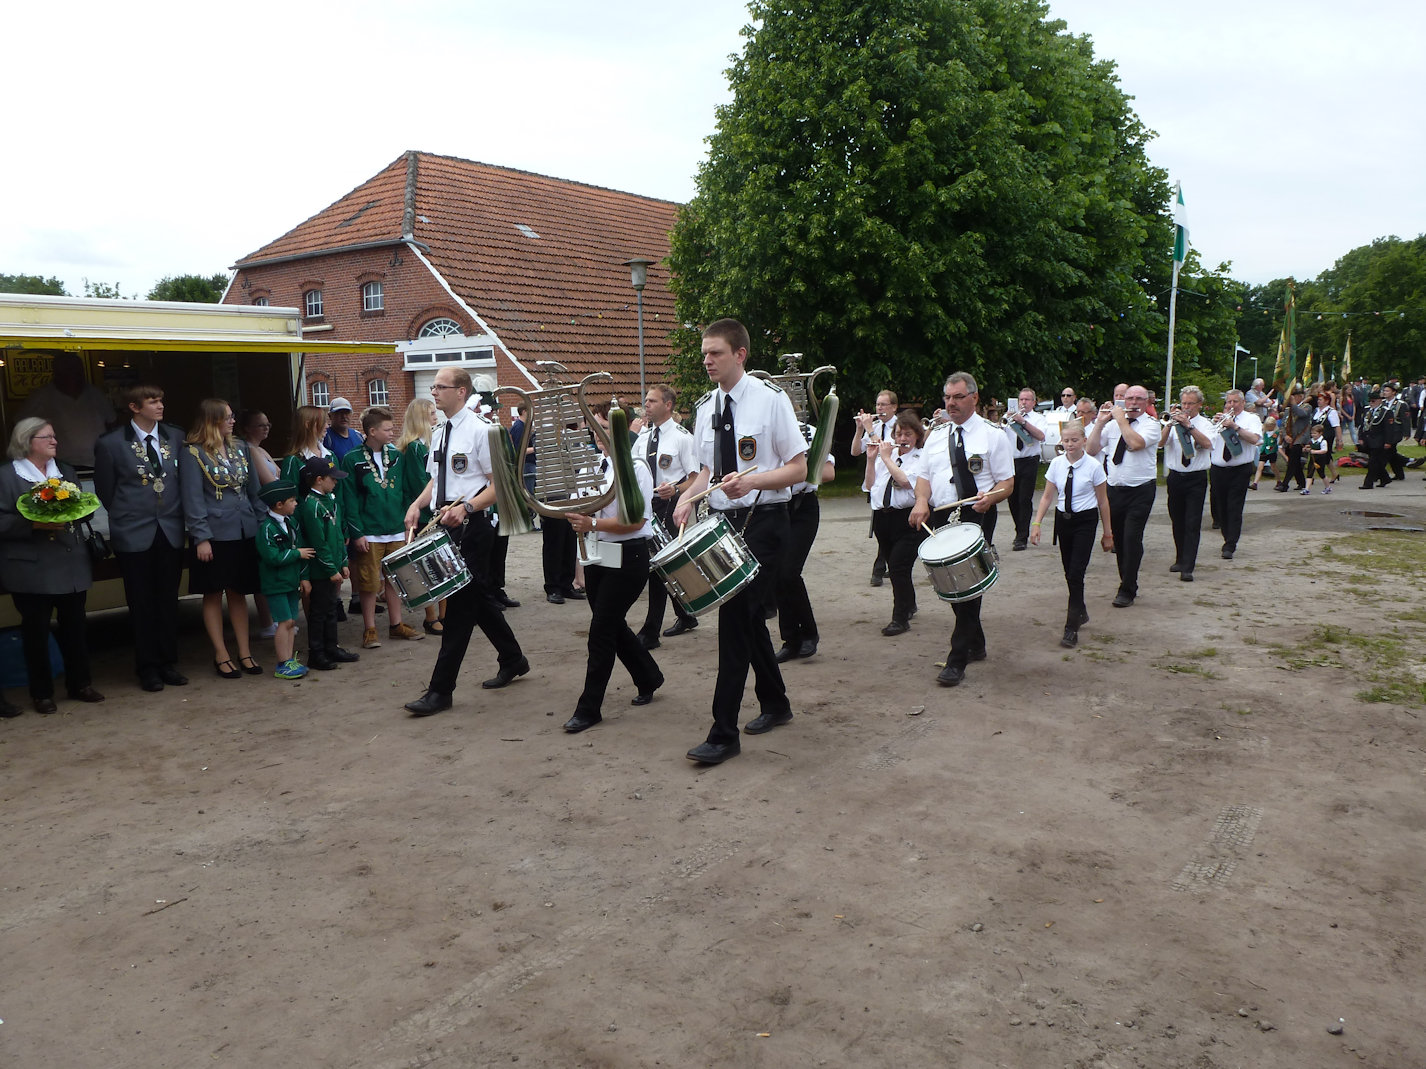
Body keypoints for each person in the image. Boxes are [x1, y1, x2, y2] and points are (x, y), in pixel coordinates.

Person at [673, 319, 807, 764]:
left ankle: (723, 733)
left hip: (766, 521)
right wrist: (688, 499)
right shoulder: (705, 407)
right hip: (724, 524)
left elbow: (799, 468)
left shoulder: (771, 401)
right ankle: (776, 703)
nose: (707, 361)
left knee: (734, 622)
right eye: (704, 354)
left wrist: (752, 482)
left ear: (740, 354)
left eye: (715, 353)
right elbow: (708, 472)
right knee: (748, 622)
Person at [402, 368, 529, 716]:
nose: (434, 392)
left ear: (461, 391)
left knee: (458, 609)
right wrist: (416, 505)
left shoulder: (481, 431)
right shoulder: (441, 432)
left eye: (440, 387)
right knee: (478, 599)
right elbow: (436, 479)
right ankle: (513, 658)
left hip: (473, 527)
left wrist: (467, 507)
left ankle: (440, 690)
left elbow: (500, 484)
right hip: (445, 524)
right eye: (433, 386)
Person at [560, 414, 664, 733]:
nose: (597, 434)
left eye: (603, 428)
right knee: (611, 624)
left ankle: (589, 707)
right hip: (598, 556)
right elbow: (578, 508)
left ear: (618, 430)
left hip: (628, 557)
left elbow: (636, 521)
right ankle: (648, 676)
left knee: (601, 632)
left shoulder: (636, 468)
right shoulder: (592, 466)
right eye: (594, 428)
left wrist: (592, 523)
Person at [910, 372, 1014, 685]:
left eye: (957, 397)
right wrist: (921, 501)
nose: (951, 403)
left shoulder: (993, 435)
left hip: (977, 513)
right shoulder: (936, 436)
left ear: (974, 398)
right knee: (951, 583)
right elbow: (924, 477)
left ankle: (957, 659)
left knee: (967, 581)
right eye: (947, 397)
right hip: (942, 514)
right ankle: (976, 642)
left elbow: (1007, 482)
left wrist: (990, 497)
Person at [0, 418, 104, 714]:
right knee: (36, 633)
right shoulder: (6, 476)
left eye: (54, 436)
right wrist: (33, 523)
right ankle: (42, 693)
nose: (54, 441)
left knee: (75, 628)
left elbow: (83, 508)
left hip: (70, 562)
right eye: (46, 437)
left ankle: (80, 683)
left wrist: (77, 510)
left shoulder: (65, 471)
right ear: (26, 441)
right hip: (31, 567)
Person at [93, 384, 188, 692]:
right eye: (152, 401)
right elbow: (106, 490)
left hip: (170, 528)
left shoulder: (175, 436)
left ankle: (168, 662)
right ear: (134, 407)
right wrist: (128, 514)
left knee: (168, 599)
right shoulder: (111, 443)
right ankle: (147, 667)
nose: (160, 406)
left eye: (161, 400)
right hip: (133, 531)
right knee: (141, 601)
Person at [180, 399, 265, 678]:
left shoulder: (240, 447)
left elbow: (254, 492)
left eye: (232, 416)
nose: (233, 421)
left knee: (239, 592)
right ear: (212, 420)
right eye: (227, 417)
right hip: (215, 534)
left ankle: (245, 651)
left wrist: (261, 525)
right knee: (214, 592)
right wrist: (201, 537)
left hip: (244, 529)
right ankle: (221, 653)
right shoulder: (193, 453)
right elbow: (192, 499)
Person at [339, 405, 424, 650]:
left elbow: (406, 490)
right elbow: (349, 499)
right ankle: (370, 628)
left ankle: (396, 625)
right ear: (372, 431)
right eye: (387, 429)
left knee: (395, 579)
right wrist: (357, 532)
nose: (392, 432)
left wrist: (408, 522)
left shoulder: (396, 455)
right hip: (370, 531)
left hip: (396, 527)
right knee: (368, 583)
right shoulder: (352, 459)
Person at [1029, 419, 1112, 647]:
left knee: (1076, 573)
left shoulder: (1094, 466)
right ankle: (1080, 610)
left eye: (1074, 440)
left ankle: (1071, 626)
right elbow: (1047, 496)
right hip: (1063, 520)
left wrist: (1108, 533)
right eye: (1066, 441)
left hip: (1085, 521)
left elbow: (1103, 501)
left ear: (1084, 441)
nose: (1070, 444)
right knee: (1069, 572)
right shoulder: (1056, 464)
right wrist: (1036, 524)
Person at [634, 383, 700, 648]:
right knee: (662, 566)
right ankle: (686, 615)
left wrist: (675, 489)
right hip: (647, 506)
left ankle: (651, 631)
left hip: (671, 506)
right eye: (646, 401)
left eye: (652, 401)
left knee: (658, 566)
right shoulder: (643, 438)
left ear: (668, 405)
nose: (646, 405)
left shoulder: (682, 438)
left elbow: (695, 478)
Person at [1085, 384, 1160, 607]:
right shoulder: (1112, 425)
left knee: (1132, 537)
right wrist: (1100, 422)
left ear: (1146, 403)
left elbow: (1135, 443)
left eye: (1139, 399)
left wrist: (1120, 420)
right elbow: (1090, 449)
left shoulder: (1151, 424)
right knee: (1119, 539)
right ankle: (1127, 581)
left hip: (1141, 489)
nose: (1133, 403)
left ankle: (1127, 588)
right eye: (1129, 399)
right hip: (1115, 489)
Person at [776, 418, 836, 661]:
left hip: (802, 507)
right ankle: (790, 640)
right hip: (774, 508)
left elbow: (829, 472)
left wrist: (797, 472)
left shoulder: (809, 433)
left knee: (789, 572)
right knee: (777, 576)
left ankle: (809, 633)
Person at [864, 411, 925, 636]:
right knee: (897, 566)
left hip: (908, 518)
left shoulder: (920, 458)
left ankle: (899, 619)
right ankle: (909, 604)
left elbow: (906, 482)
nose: (902, 439)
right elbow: (869, 485)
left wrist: (887, 458)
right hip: (883, 518)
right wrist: (872, 460)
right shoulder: (886, 457)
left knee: (898, 567)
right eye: (899, 434)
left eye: (908, 434)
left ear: (917, 436)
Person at [296, 456, 359, 670]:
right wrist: (331, 569)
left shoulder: (330, 500)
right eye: (332, 479)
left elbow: (338, 535)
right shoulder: (311, 505)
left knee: (331, 608)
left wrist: (343, 562)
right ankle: (316, 652)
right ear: (319, 480)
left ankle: (331, 647)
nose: (336, 482)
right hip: (320, 569)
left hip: (333, 565)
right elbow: (318, 542)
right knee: (319, 611)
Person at [254, 480, 316, 679]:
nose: (296, 503)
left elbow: (303, 550)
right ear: (279, 504)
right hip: (276, 584)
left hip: (291, 582)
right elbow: (272, 557)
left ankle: (289, 660)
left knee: (291, 622)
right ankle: (282, 663)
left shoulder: (292, 523)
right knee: (284, 621)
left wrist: (304, 577)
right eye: (292, 500)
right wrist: (296, 554)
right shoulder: (266, 528)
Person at [17, 352, 115, 469]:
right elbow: (21, 429)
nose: (72, 375)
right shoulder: (41, 396)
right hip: (58, 465)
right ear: (57, 373)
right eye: (67, 370)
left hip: (97, 462)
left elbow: (112, 423)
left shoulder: (95, 394)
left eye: (76, 370)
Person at [398, 397, 445, 635]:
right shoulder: (415, 447)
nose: (436, 417)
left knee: (442, 564)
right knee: (427, 567)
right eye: (432, 413)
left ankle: (445, 614)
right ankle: (431, 616)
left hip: (435, 511)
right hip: (425, 514)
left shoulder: (430, 442)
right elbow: (420, 482)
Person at [1161, 386, 1215, 582]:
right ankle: (1180, 558)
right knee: (1177, 520)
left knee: (1192, 522)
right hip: (1175, 476)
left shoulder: (1205, 424)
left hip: (1196, 478)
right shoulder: (1173, 423)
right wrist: (1169, 424)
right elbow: (1160, 443)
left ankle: (1188, 566)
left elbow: (1207, 444)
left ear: (1199, 404)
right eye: (1184, 403)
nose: (1186, 407)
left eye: (1190, 403)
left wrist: (1189, 426)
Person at [240, 409, 281, 637]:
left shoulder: (261, 449)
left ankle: (274, 619)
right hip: (262, 512)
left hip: (272, 512)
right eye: (260, 425)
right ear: (247, 428)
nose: (266, 428)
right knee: (264, 570)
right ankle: (266, 621)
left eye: (268, 424)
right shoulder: (250, 450)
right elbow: (270, 482)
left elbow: (278, 474)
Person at [1208, 390, 1263, 560]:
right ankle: (1227, 536)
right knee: (1221, 507)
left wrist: (1235, 427)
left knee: (1234, 507)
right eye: (1229, 402)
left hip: (1239, 469)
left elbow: (1255, 439)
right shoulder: (1219, 419)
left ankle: (1230, 544)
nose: (1231, 405)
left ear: (1243, 402)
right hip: (1218, 468)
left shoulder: (1251, 419)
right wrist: (1214, 425)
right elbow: (1207, 442)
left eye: (1235, 402)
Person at [851, 391, 898, 586]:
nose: (879, 408)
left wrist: (869, 428)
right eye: (878, 404)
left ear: (894, 407)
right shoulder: (876, 426)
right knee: (881, 528)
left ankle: (880, 567)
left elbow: (886, 449)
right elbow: (855, 451)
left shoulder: (899, 427)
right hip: (875, 482)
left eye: (884, 405)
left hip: (894, 481)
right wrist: (859, 429)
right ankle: (887, 564)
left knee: (890, 528)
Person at [1003, 387, 1048, 550]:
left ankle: (1022, 536)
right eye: (1021, 399)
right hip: (1011, 461)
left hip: (1029, 460)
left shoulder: (1038, 418)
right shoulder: (1008, 417)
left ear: (1033, 402)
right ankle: (1019, 530)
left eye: (1027, 400)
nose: (1023, 402)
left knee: (1024, 498)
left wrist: (1022, 421)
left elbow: (1041, 436)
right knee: (1012, 499)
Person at [1274, 386, 1312, 492]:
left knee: (1292, 462)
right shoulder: (1288, 410)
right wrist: (1285, 435)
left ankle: (1285, 484)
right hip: (1289, 439)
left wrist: (1294, 404)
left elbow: (1301, 413)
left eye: (1295, 396)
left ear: (1300, 396)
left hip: (1300, 438)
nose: (1293, 399)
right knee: (1295, 462)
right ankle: (1302, 482)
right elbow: (1283, 425)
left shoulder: (1307, 407)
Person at [1359, 389, 1391, 489]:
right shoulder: (1367, 410)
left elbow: (1389, 428)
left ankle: (1368, 483)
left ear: (1379, 401)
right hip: (1368, 440)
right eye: (1370, 401)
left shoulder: (1386, 412)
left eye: (1373, 401)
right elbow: (1362, 425)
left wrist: (1388, 441)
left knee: (1372, 462)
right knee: (1377, 462)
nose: (1371, 403)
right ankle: (1385, 478)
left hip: (1379, 440)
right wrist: (1361, 437)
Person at [1380, 381, 1408, 482]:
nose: (1385, 392)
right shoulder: (1382, 403)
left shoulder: (1401, 404)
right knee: (1392, 454)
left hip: (1396, 431)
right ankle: (1399, 473)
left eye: (1387, 391)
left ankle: (1378, 473)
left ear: (1393, 392)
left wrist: (1407, 432)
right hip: (1385, 432)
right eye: (1384, 391)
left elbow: (1405, 419)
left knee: (1386, 453)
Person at [322, 397, 361, 462]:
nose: (344, 416)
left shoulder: (358, 436)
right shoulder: (325, 437)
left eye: (347, 413)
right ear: (330, 416)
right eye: (339, 413)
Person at [1252, 416, 1279, 490]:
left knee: (1273, 466)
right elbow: (1264, 441)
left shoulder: (1276, 433)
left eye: (1270, 426)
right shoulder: (1264, 432)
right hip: (1264, 451)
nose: (1269, 427)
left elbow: (1273, 442)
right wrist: (1258, 444)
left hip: (1272, 451)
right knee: (1260, 467)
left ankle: (1278, 480)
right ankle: (1255, 483)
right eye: (1268, 426)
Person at [1304, 427, 1333, 494]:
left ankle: (1328, 487)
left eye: (1315, 433)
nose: (1313, 435)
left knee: (1321, 474)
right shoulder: (1311, 440)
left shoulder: (1323, 441)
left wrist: (1314, 451)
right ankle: (1306, 489)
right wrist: (1306, 448)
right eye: (1312, 433)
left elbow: (1324, 450)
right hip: (1313, 459)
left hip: (1320, 459)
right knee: (1309, 473)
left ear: (1320, 433)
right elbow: (1310, 446)